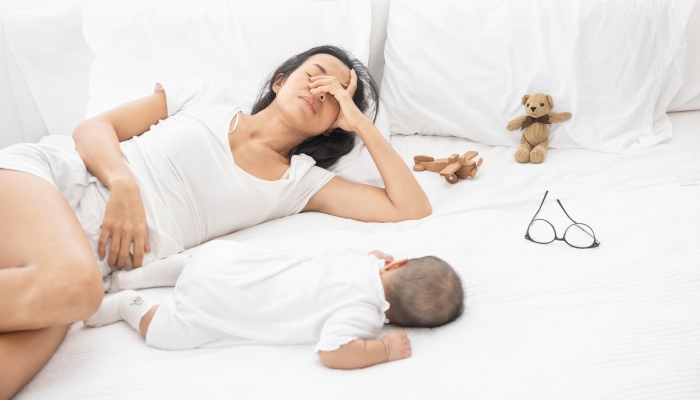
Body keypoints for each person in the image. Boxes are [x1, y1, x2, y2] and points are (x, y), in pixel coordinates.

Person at [0, 46, 431, 398]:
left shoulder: (297, 184)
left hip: (87, 266)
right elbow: (94, 128)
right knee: (78, 291)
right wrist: (123, 184)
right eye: (315, 75)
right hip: (55, 184)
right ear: (282, 80)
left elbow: (410, 208)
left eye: (334, 93)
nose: (321, 91)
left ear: (333, 121)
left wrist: (357, 121)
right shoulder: (206, 97)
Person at [84, 241, 465, 369]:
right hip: (217, 303)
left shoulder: (366, 263)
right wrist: (380, 350)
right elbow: (332, 352)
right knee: (164, 331)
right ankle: (124, 304)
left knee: (192, 263)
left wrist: (377, 260)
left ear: (395, 264)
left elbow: (362, 259)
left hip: (221, 261)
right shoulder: (365, 314)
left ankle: (131, 277)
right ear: (401, 321)